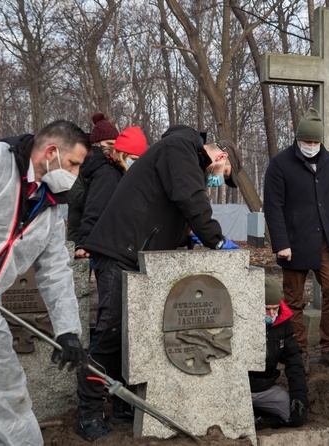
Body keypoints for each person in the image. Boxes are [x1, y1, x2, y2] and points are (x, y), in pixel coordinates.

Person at [74, 124, 242, 441]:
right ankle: (89, 414)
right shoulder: (180, 149)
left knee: (132, 333)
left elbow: (166, 209)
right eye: (225, 172)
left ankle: (124, 405)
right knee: (111, 331)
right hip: (118, 249)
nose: (218, 180)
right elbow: (188, 197)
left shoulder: (182, 157)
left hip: (135, 253)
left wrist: (188, 237)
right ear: (220, 156)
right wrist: (216, 240)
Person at [0, 120, 90, 446]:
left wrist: (67, 331)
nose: (76, 174)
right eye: (74, 164)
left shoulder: (48, 210)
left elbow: (54, 272)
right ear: (51, 151)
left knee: (11, 402)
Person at [263, 107, 329, 375]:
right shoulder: (280, 164)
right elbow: (273, 207)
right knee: (292, 300)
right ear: (298, 139)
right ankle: (299, 352)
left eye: (316, 142)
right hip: (294, 242)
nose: (312, 146)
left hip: (327, 238)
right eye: (307, 142)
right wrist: (280, 243)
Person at [74, 126, 148, 260]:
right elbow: (95, 208)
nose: (137, 165)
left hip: (112, 245)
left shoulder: (120, 174)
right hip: (105, 249)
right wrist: (84, 242)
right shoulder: (108, 175)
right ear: (121, 155)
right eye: (134, 159)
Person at [250, 278, 308, 429]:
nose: (271, 314)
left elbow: (294, 360)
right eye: (266, 309)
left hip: (266, 388)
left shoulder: (283, 322)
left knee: (296, 416)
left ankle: (260, 413)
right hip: (241, 390)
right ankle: (254, 414)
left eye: (275, 308)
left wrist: (299, 397)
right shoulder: (244, 322)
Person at [67, 112, 120, 245]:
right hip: (79, 232)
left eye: (115, 143)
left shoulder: (110, 165)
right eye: (108, 143)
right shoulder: (77, 164)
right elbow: (76, 198)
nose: (112, 147)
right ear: (96, 142)